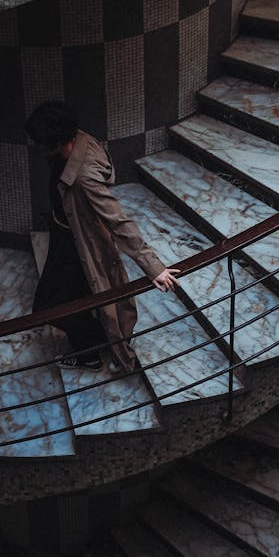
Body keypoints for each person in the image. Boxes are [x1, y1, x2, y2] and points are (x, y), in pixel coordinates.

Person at [26, 101, 179, 372]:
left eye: (41, 143)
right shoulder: (81, 140)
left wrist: (153, 267)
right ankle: (92, 348)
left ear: (59, 142)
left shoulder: (85, 178)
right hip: (66, 232)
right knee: (77, 295)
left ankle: (93, 349)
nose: (38, 149)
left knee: (49, 305)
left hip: (76, 242)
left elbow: (119, 220)